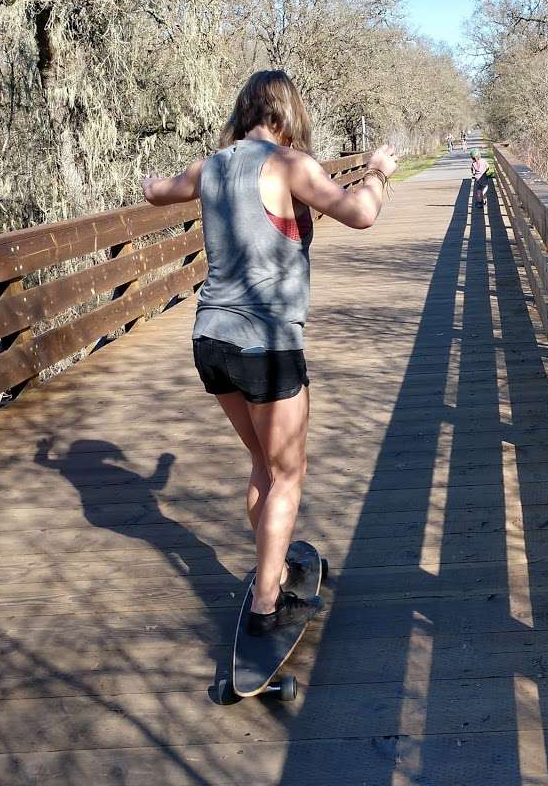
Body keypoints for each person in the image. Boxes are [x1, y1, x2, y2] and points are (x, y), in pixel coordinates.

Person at [142, 69, 397, 637]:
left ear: (244, 111)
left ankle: (272, 569)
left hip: (210, 340)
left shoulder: (210, 166)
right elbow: (361, 213)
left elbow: (157, 193)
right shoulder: (288, 164)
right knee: (288, 474)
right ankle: (266, 603)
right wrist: (378, 171)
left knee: (263, 464)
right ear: (286, 115)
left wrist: (148, 178)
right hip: (267, 344)